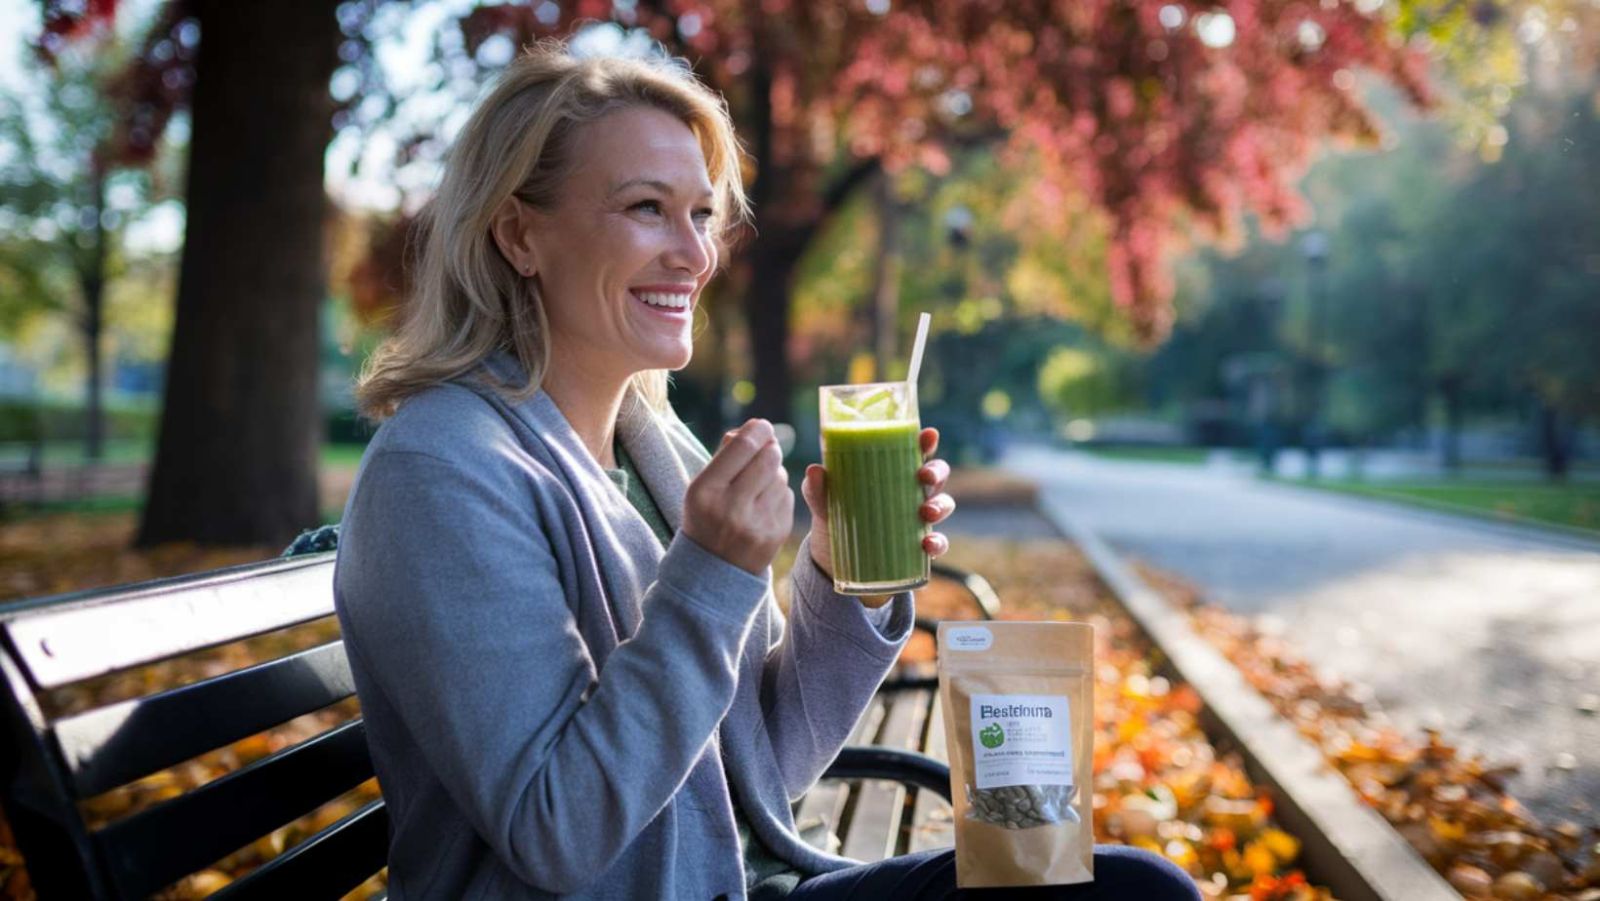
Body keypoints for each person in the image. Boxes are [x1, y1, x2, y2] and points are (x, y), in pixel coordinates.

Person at [333, 42, 1201, 901]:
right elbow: (558, 830)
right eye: (646, 208)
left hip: (755, 882)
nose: (694, 253)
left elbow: (761, 770)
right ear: (520, 234)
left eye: (701, 214)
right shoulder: (442, 470)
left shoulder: (655, 447)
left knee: (1137, 887)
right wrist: (709, 576)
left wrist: (842, 579)